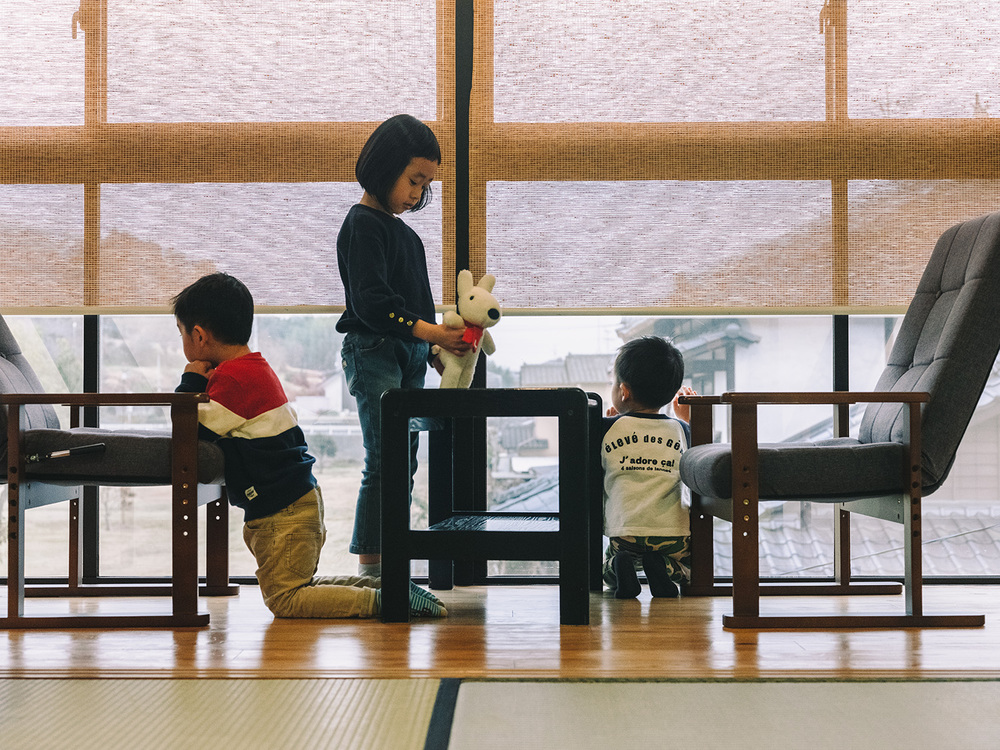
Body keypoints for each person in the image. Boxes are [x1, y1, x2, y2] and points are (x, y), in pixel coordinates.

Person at [173, 272, 447, 618]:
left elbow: (185, 427)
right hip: (296, 504)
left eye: (181, 334)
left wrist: (192, 379)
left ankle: (385, 601)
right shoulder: (254, 369)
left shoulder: (231, 381)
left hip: (282, 514)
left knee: (286, 599)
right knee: (303, 586)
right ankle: (387, 586)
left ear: (199, 336)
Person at [336, 114, 472, 577]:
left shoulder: (407, 236)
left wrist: (432, 349)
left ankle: (385, 562)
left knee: (403, 459)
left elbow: (419, 305)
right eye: (413, 180)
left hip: (407, 352)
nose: (417, 193)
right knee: (385, 459)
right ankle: (373, 572)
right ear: (384, 167)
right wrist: (433, 336)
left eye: (425, 185)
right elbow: (373, 305)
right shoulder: (361, 225)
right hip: (373, 349)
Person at [601, 336, 696, 599]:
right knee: (690, 569)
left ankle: (621, 570)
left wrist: (609, 425)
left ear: (624, 391)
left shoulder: (607, 429)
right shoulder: (682, 430)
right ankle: (663, 568)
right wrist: (688, 420)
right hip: (673, 532)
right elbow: (699, 457)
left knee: (606, 571)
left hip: (625, 533)